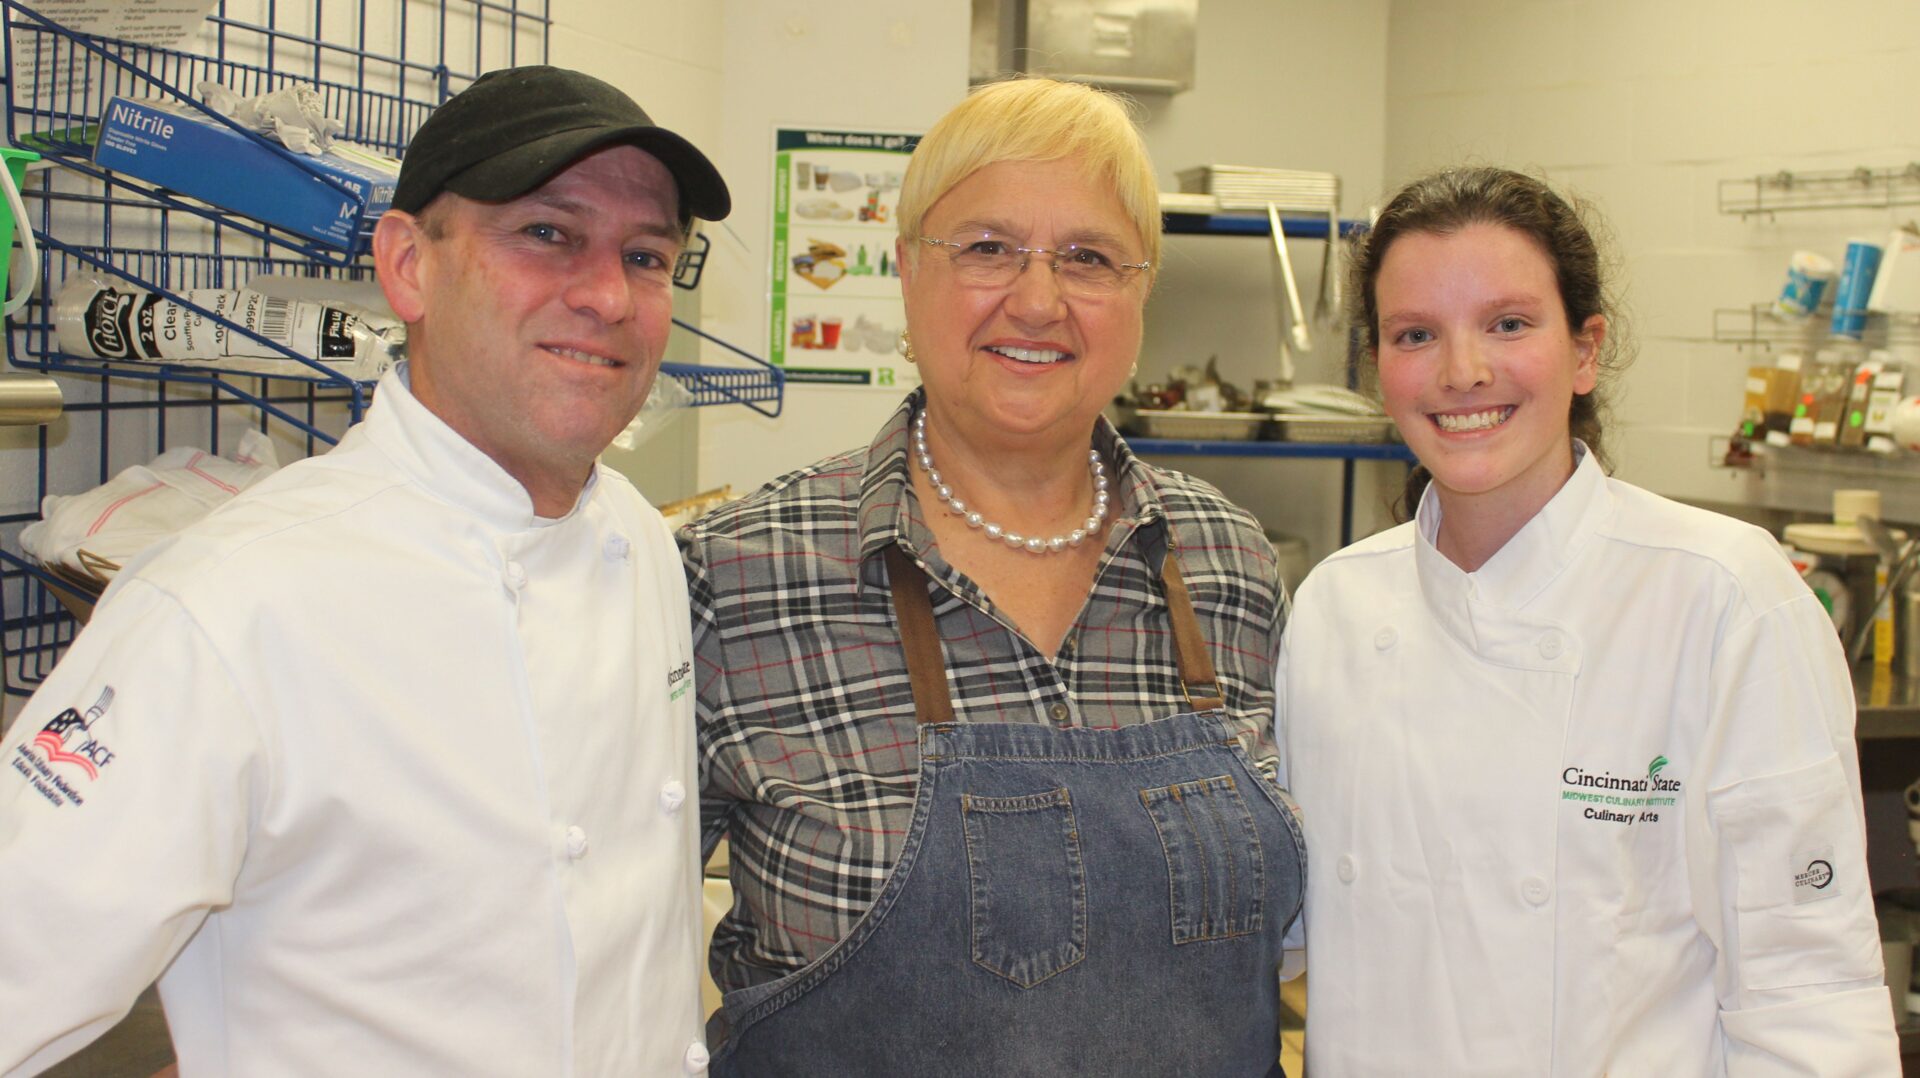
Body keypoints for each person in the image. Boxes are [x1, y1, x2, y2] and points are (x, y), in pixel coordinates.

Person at [0, 65, 730, 1075]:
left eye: (645, 256)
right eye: (547, 234)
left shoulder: (641, 541)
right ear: (407, 266)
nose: (606, 294)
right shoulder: (227, 605)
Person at [681, 77, 1303, 1076]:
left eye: (1089, 258)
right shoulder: (738, 575)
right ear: (907, 268)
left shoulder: (1226, 562)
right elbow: (599, 943)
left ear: (1141, 293)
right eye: (987, 248)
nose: (1038, 299)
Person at [1277, 166, 1900, 1075]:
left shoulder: (1723, 596)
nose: (1464, 371)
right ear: (1380, 368)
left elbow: (1809, 994)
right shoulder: (1337, 605)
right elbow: (1286, 942)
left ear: (1586, 350)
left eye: (1509, 324)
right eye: (1417, 334)